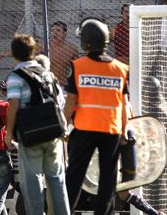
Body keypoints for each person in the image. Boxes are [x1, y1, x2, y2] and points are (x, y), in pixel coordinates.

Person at [64, 18, 129, 215]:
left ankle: (66, 210)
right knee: (108, 178)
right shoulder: (121, 68)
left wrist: (63, 125)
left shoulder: (78, 66)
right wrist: (125, 130)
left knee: (75, 174)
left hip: (84, 129)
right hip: (111, 129)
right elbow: (124, 103)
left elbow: (71, 103)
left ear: (85, 42)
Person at [3, 34, 70, 215]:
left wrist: (9, 133)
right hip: (54, 132)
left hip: (30, 133)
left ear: (13, 53)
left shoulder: (16, 76)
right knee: (56, 179)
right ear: (33, 51)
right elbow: (59, 102)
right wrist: (63, 127)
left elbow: (13, 106)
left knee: (32, 181)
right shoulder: (48, 74)